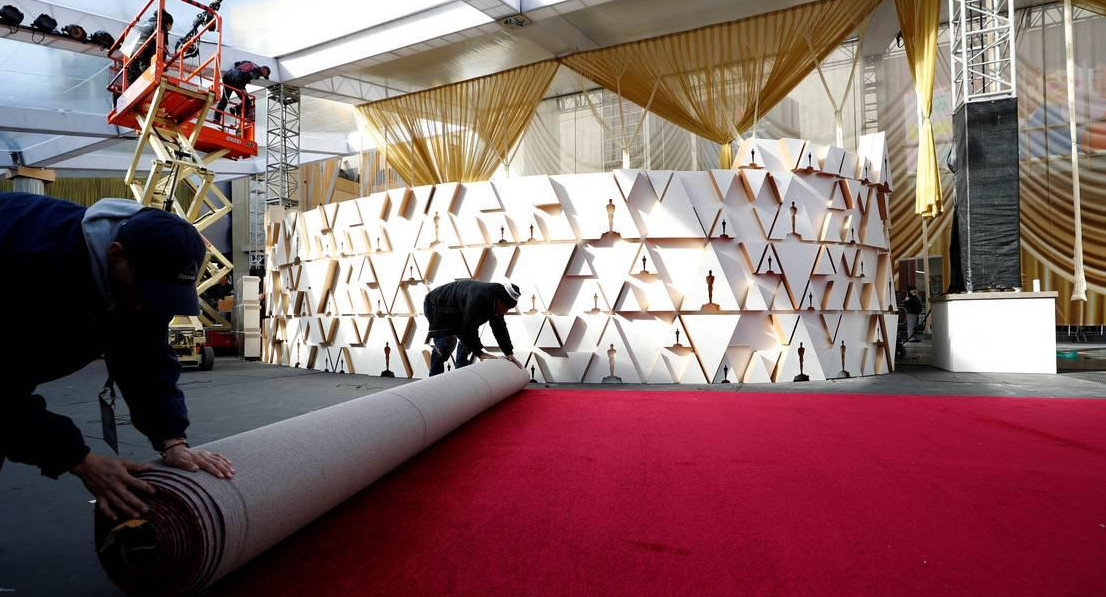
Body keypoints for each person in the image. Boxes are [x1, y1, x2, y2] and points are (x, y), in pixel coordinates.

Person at [0, 192, 235, 523]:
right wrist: (78, 459)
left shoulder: (143, 278)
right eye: (146, 294)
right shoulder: (33, 264)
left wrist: (172, 439)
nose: (145, 305)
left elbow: (146, 355)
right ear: (115, 254)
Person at [423, 280, 523, 376]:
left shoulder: (496, 301)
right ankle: (435, 381)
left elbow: (499, 328)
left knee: (467, 342)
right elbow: (466, 328)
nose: (505, 311)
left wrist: (508, 352)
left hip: (456, 309)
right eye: (506, 308)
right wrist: (479, 352)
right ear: (500, 302)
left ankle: (460, 376)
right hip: (436, 305)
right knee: (447, 343)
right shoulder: (478, 298)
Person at [121, 11, 174, 91]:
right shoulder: (160, 25)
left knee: (132, 85)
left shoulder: (143, 25)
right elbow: (162, 46)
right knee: (146, 80)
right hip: (143, 54)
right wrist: (162, 64)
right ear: (169, 23)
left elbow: (126, 46)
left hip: (129, 57)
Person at [215, 61, 270, 126]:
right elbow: (242, 78)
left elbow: (236, 63)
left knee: (225, 99)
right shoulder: (256, 73)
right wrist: (243, 89)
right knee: (247, 102)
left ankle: (216, 118)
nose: (262, 76)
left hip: (227, 77)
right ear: (264, 70)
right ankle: (242, 113)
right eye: (265, 74)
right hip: (236, 82)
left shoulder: (250, 63)